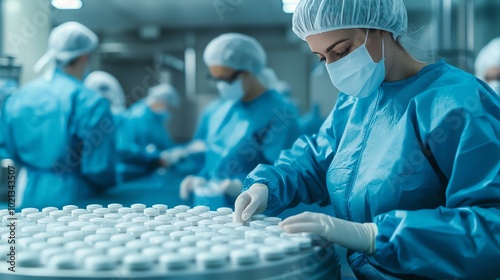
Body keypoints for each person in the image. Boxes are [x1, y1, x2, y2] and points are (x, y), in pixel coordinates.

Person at [233, 0, 500, 279]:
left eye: (341, 50)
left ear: (379, 29)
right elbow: (316, 160)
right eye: (323, 58)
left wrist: (374, 235)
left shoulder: (459, 102)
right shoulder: (353, 104)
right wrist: (267, 185)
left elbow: (491, 225)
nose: (333, 67)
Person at [0, 22, 117, 208]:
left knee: (26, 236)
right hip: (74, 199)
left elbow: (6, 148)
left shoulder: (18, 97)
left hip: (27, 192)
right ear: (84, 57)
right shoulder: (90, 102)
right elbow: (99, 169)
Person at [180, 33, 301, 208]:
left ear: (248, 72)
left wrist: (243, 184)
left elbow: (284, 170)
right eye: (215, 79)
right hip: (212, 204)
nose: (221, 85)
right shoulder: (221, 109)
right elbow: (212, 155)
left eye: (226, 79)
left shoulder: (280, 113)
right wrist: (202, 177)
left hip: (257, 209)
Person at [116, 83, 180, 181]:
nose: (167, 110)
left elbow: (165, 143)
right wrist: (154, 157)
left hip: (149, 171)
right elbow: (125, 148)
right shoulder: (137, 117)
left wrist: (179, 152)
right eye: (166, 105)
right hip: (132, 172)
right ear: (160, 102)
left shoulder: (156, 118)